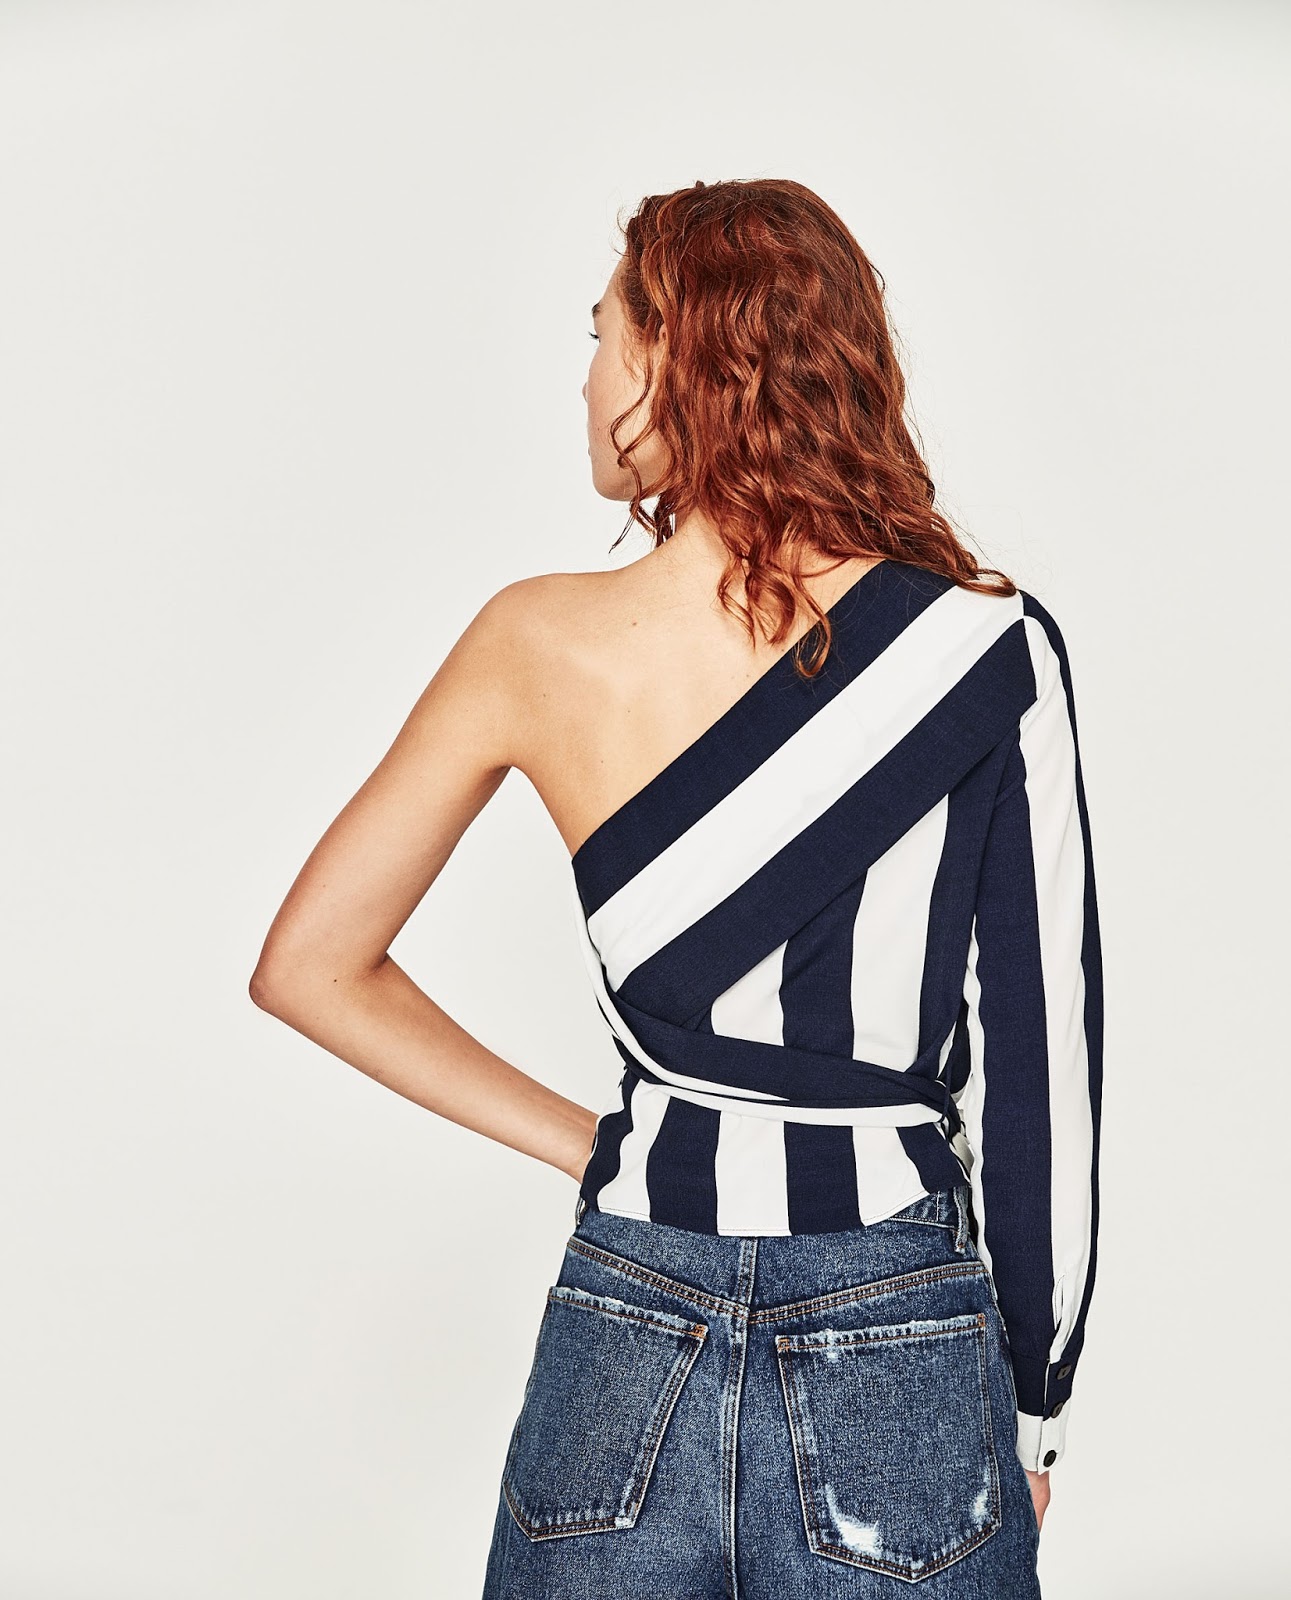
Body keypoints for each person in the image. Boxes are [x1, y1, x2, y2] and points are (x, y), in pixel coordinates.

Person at [250, 178, 1103, 1598]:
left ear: (674, 359)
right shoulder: (989, 652)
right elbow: (1043, 1079)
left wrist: (601, 1144)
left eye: (600, 335)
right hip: (900, 1325)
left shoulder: (534, 642)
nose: (587, 378)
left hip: (626, 1316)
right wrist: (1036, 1406)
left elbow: (308, 963)